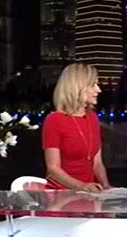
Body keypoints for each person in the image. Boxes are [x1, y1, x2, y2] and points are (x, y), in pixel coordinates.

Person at [42, 63, 112, 191]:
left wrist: (106, 186)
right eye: (93, 85)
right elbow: (53, 168)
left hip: (89, 192)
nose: (99, 90)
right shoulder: (54, 120)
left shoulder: (92, 117)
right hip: (61, 192)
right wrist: (81, 186)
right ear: (78, 87)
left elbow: (97, 163)